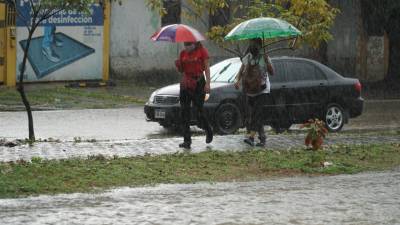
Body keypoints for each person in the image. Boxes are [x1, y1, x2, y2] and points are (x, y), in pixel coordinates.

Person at [235, 38, 274, 147]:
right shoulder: (248, 57)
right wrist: (237, 80)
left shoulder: (264, 57)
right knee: (255, 115)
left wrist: (267, 62)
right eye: (251, 44)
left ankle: (251, 138)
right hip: (250, 90)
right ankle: (262, 139)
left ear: (259, 46)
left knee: (257, 114)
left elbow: (272, 72)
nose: (252, 46)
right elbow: (241, 70)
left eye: (254, 44)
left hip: (263, 90)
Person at [175, 41, 213, 149]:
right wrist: (178, 65)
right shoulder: (183, 53)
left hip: (198, 83)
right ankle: (187, 140)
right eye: (185, 45)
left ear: (194, 44)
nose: (186, 47)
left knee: (199, 112)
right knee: (184, 112)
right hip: (186, 84)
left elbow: (206, 68)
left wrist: (208, 83)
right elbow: (182, 70)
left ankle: (208, 129)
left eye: (188, 45)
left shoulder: (202, 51)